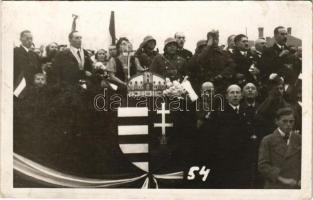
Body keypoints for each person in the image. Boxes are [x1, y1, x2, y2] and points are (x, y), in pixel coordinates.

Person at [208, 84, 252, 188]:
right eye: (232, 93)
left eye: (237, 92)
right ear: (227, 96)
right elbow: (213, 137)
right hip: (224, 159)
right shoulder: (219, 113)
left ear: (241, 95)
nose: (235, 95)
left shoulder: (248, 111)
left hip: (243, 159)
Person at [258, 107, 301, 189]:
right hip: (275, 186)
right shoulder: (267, 140)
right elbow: (263, 166)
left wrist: (302, 179)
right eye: (284, 121)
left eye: (291, 121)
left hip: (295, 186)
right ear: (276, 121)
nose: (288, 124)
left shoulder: (299, 139)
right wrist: (283, 179)